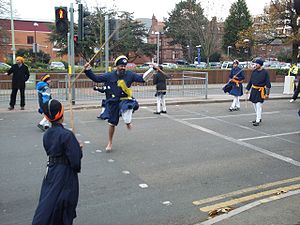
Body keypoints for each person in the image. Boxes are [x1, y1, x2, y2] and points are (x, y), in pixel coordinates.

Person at [32, 99, 83, 225]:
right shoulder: (67, 135)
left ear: (46, 117)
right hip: (65, 174)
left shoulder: (47, 134)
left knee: (48, 199)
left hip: (51, 170)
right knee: (64, 205)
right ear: (62, 114)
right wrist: (77, 148)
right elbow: (75, 162)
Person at [84, 55, 150, 151]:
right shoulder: (109, 75)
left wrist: (152, 70)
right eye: (121, 66)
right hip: (114, 102)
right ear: (116, 66)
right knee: (112, 123)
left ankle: (127, 121)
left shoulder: (130, 75)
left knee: (129, 106)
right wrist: (88, 70)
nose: (123, 68)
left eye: (124, 66)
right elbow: (96, 79)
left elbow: (143, 79)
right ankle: (110, 142)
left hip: (125, 99)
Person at [245, 58, 271, 126]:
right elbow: (251, 81)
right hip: (254, 90)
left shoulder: (265, 72)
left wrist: (267, 94)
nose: (255, 65)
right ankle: (258, 117)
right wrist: (247, 89)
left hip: (260, 90)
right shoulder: (254, 71)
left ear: (260, 64)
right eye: (255, 63)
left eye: (257, 64)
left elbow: (268, 84)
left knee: (258, 105)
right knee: (254, 104)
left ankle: (257, 120)